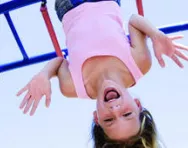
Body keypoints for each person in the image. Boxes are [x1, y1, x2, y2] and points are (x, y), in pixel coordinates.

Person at [17, 0, 188, 147]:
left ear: (96, 118)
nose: (114, 109)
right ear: (137, 104)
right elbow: (134, 20)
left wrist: (44, 75)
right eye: (127, 114)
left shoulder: (73, 88)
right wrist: (155, 34)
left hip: (68, 6)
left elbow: (60, 62)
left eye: (109, 120)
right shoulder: (140, 64)